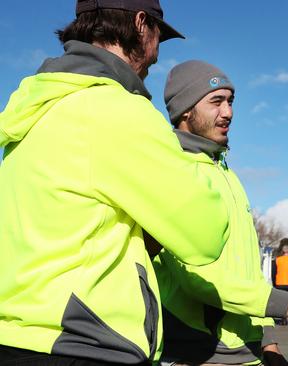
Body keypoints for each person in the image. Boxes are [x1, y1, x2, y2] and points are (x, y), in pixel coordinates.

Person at [0, 1, 234, 365]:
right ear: (141, 25)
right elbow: (206, 235)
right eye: (159, 35)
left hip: (15, 337)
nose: (156, 53)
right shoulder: (120, 110)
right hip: (86, 341)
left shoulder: (32, 112)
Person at [153, 60, 288, 365]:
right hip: (198, 354)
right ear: (185, 111)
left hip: (248, 353)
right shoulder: (171, 170)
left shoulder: (228, 175)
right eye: (216, 101)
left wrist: (268, 341)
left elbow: (249, 269)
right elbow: (196, 277)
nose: (228, 112)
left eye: (230, 101)